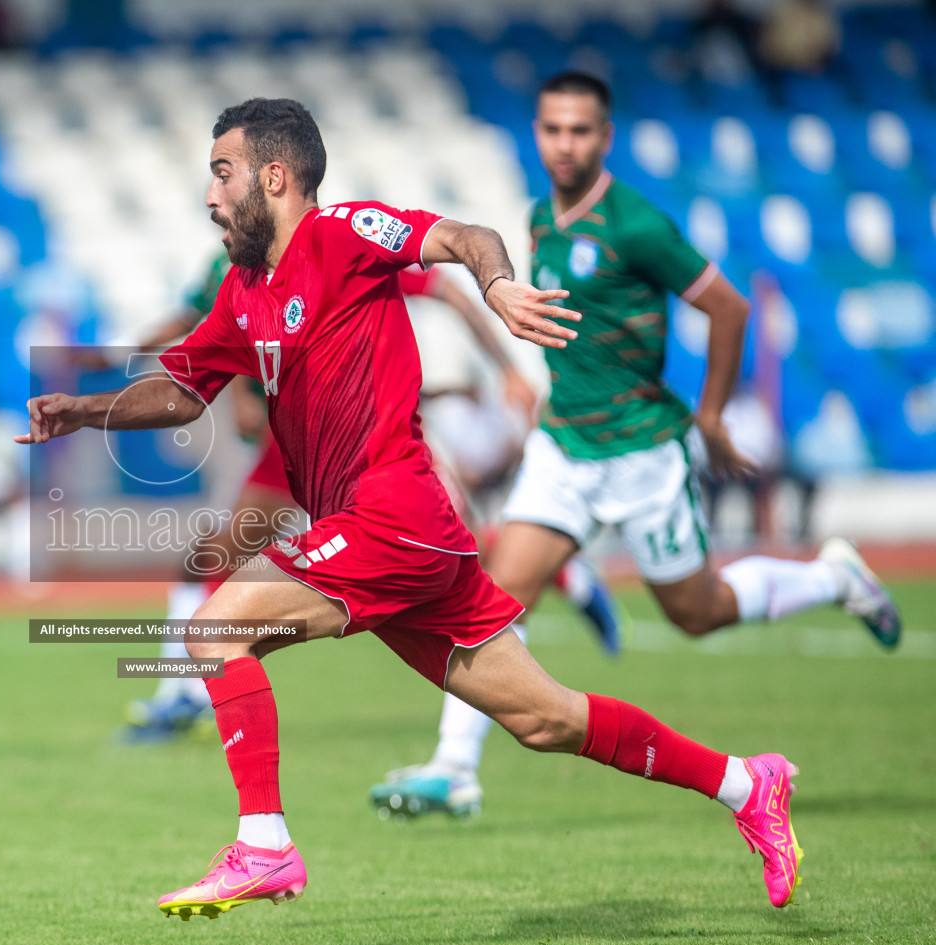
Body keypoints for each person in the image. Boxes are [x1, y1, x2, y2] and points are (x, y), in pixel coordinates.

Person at [17, 97, 807, 916]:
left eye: (223, 173)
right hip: (401, 541)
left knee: (216, 627)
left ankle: (264, 845)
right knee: (545, 721)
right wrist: (87, 409)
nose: (211, 195)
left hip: (391, 518)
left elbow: (466, 239)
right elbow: (181, 390)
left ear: (275, 176)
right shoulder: (245, 292)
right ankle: (748, 783)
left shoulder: (346, 233)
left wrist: (497, 287)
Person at [368, 72, 900, 824]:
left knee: (697, 610)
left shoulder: (636, 224)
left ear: (605, 137)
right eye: (552, 129)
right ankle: (455, 768)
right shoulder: (538, 220)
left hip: (643, 453)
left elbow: (728, 306)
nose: (564, 144)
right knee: (488, 600)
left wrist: (711, 417)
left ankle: (833, 578)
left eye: (580, 130)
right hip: (563, 448)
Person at [118, 253, 616, 742]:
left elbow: (447, 291)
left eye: (226, 175)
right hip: (292, 444)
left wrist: (506, 369)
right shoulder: (229, 267)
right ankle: (182, 695)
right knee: (211, 557)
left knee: (453, 558)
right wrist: (127, 354)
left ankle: (565, 573)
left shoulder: (338, 256)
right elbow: (202, 328)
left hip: (367, 446)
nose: (218, 201)